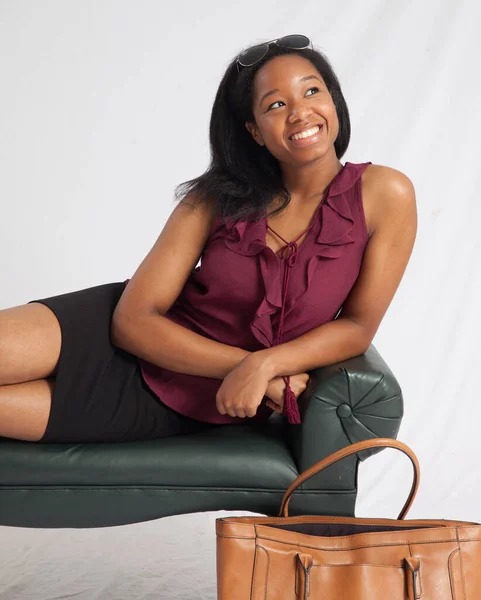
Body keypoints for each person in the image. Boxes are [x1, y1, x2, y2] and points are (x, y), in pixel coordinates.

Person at [0, 34, 417, 444]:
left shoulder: (385, 194)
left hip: (184, 399)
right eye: (276, 104)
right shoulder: (216, 196)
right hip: (114, 331)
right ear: (254, 131)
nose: (300, 113)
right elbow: (132, 320)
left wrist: (269, 363)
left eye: (312, 91)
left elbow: (358, 325)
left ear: (334, 100)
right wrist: (251, 369)